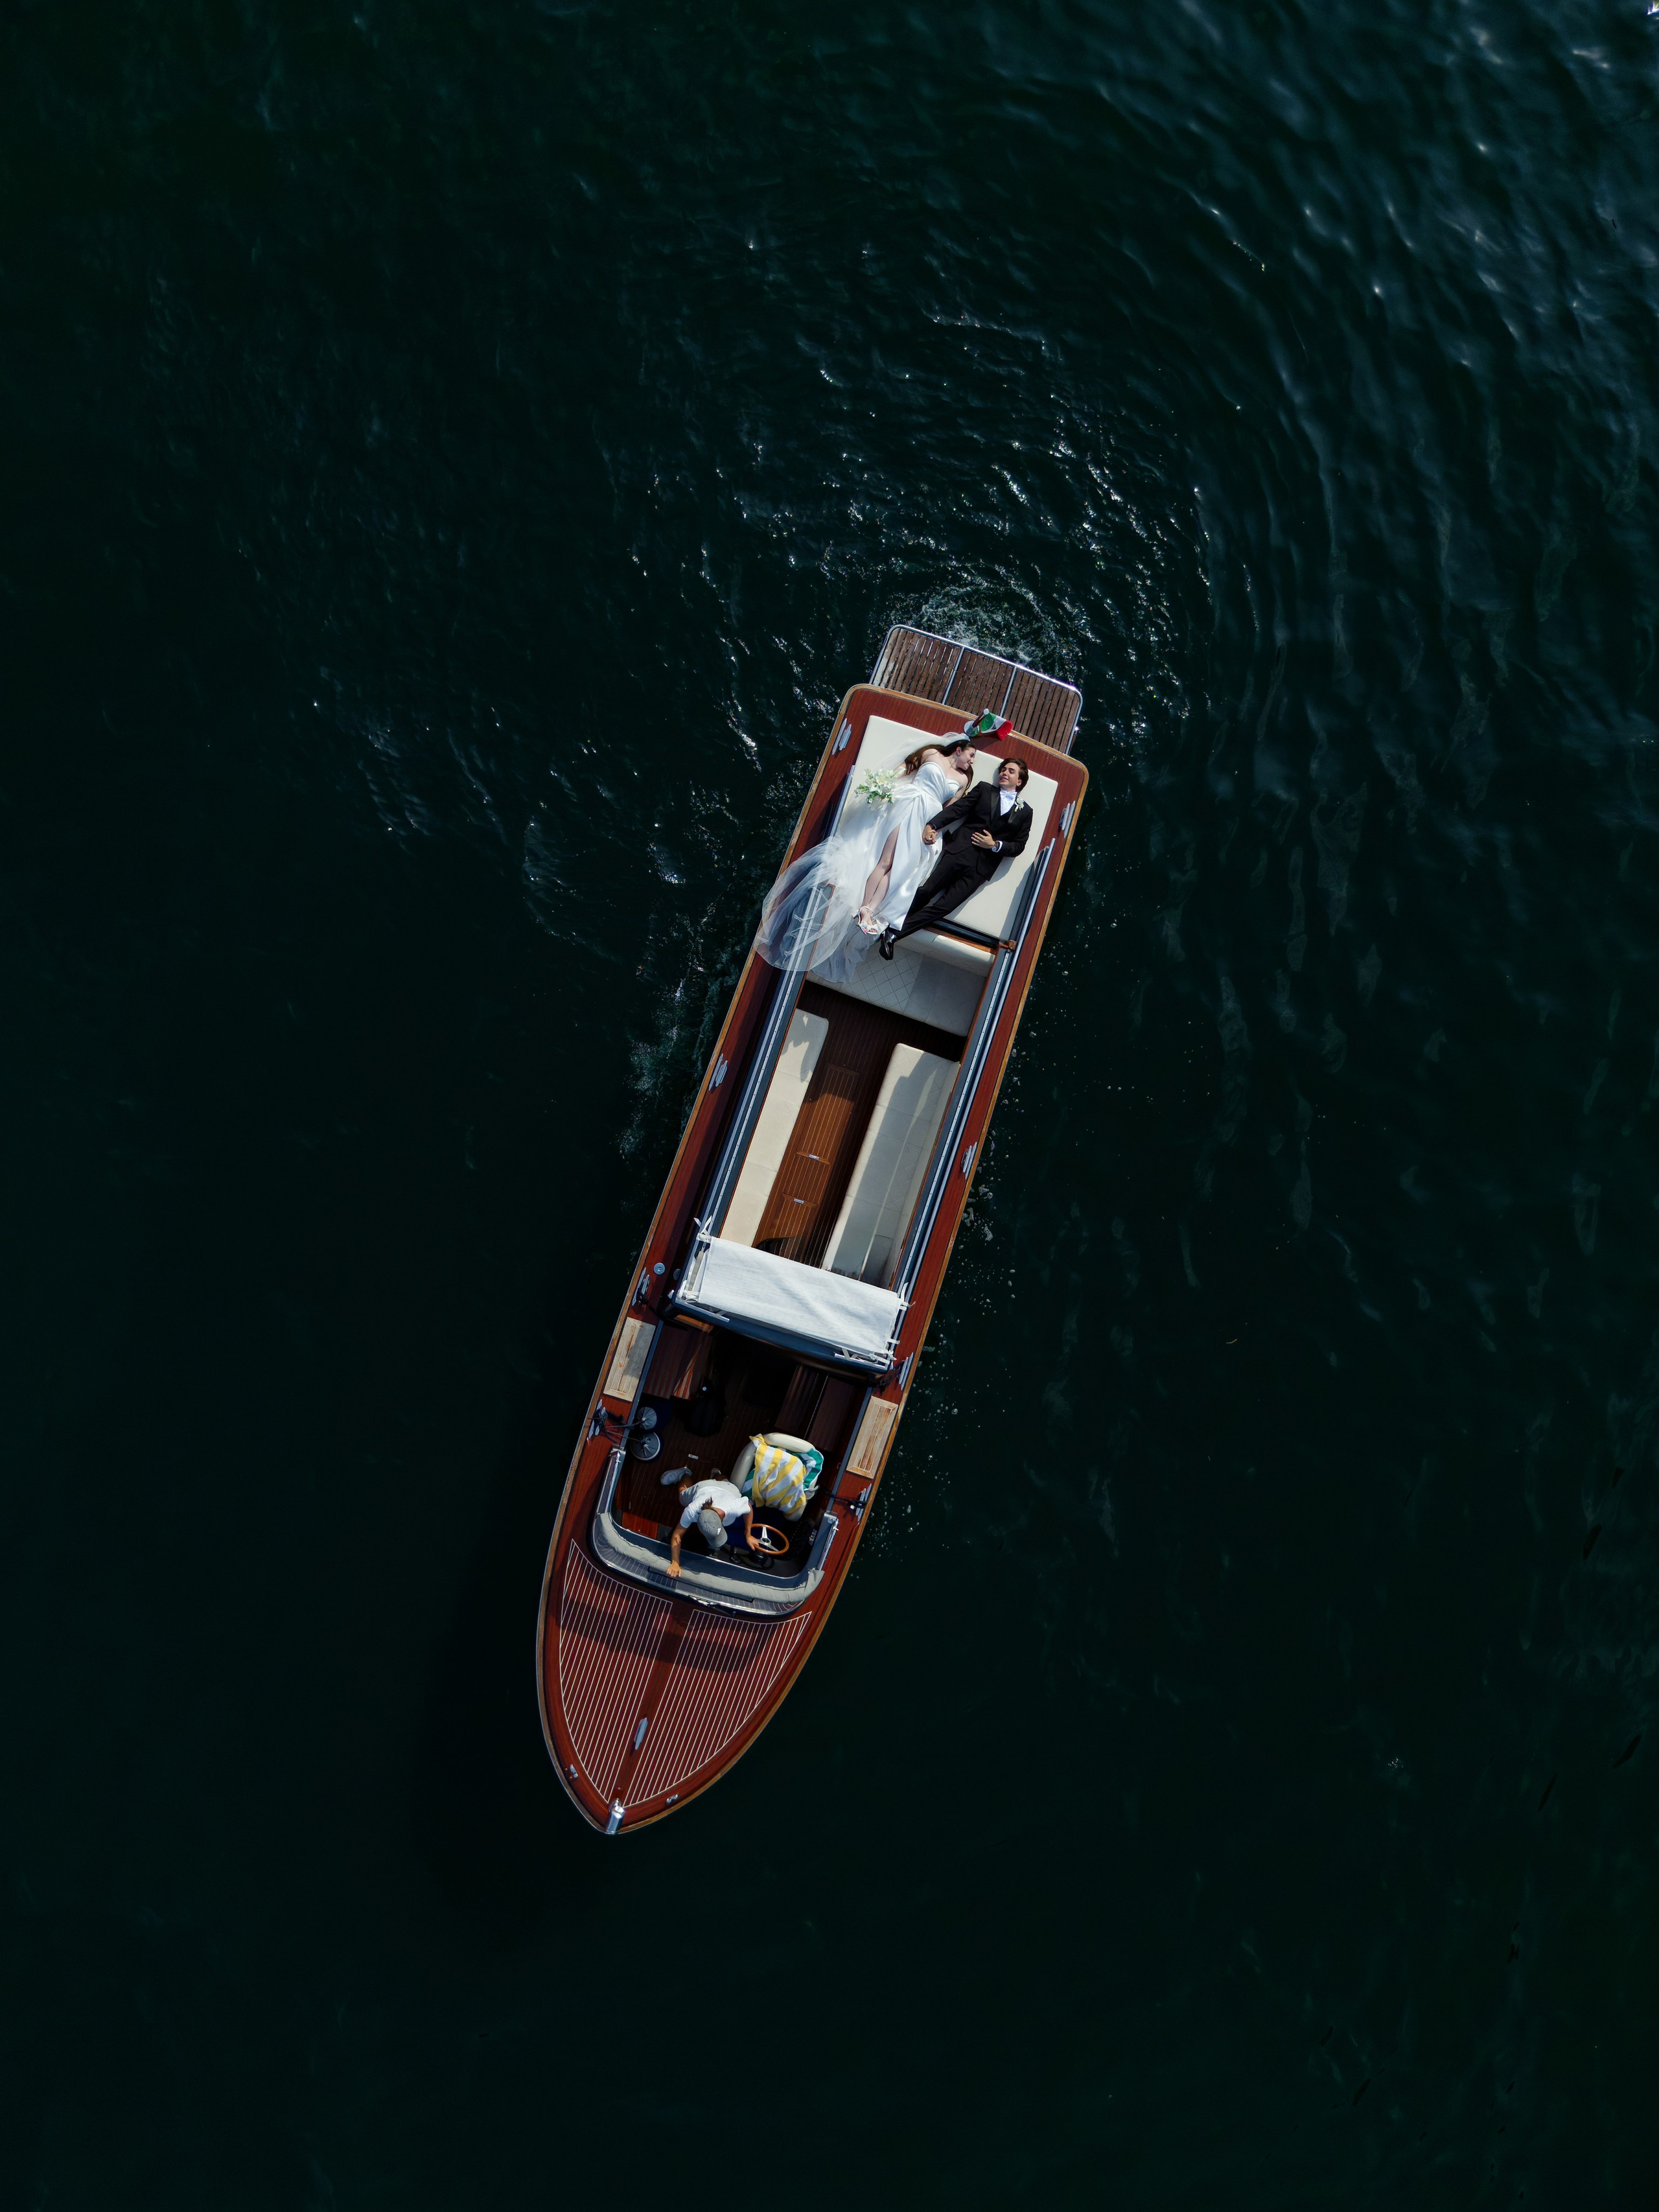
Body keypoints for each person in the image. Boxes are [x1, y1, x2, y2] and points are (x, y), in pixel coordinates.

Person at [754, 739, 977, 985]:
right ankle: (863, 905)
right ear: (959, 750)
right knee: (886, 860)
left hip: (927, 820)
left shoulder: (962, 780)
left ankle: (870, 909)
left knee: (901, 871)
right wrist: (886, 785)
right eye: (971, 755)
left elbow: (949, 811)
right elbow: (907, 767)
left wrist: (935, 830)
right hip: (909, 804)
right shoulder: (932, 753)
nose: (972, 761)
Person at [881, 755, 1032, 955]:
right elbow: (958, 809)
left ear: (1019, 781)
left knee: (944, 907)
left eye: (1011, 771)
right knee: (927, 891)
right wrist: (934, 824)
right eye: (1003, 770)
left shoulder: (1026, 812)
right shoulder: (984, 790)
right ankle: (887, 921)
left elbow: (1019, 846)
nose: (1004, 773)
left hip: (981, 869)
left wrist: (995, 845)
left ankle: (893, 934)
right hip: (959, 852)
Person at [662, 1471, 756, 1576]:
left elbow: (749, 1507)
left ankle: (716, 1474)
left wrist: (748, 1534)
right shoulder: (692, 1510)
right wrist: (675, 1562)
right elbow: (677, 1535)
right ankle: (685, 1474)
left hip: (729, 1489)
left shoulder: (734, 1507)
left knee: (723, 1482)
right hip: (704, 1488)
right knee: (682, 1498)